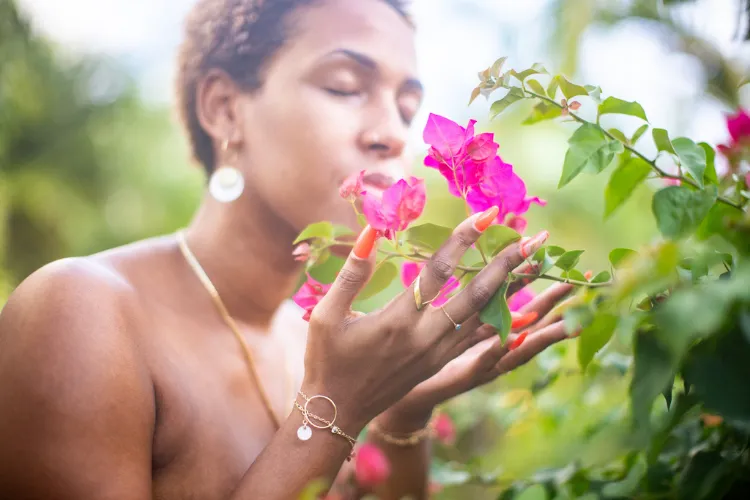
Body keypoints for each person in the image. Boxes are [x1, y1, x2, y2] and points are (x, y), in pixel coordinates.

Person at [0, 0, 575, 498]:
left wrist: (401, 411)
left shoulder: (321, 344)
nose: (394, 134)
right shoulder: (80, 313)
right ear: (224, 108)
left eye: (406, 106)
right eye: (346, 87)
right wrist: (336, 408)